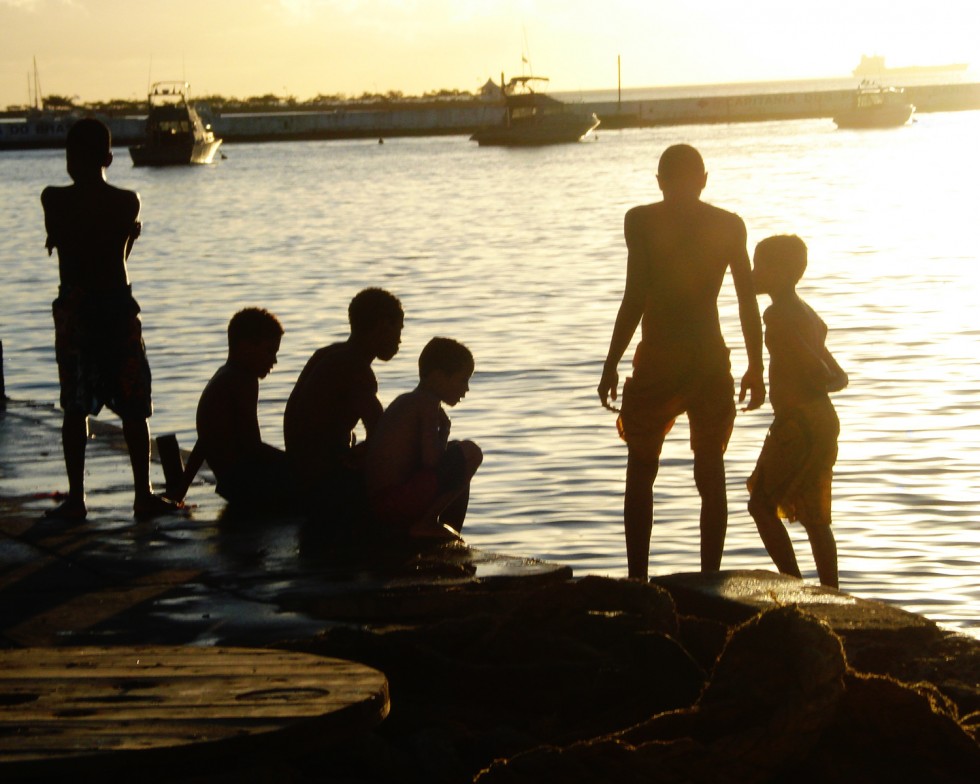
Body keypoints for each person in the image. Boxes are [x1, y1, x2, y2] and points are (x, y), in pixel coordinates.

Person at [597, 143, 765, 580]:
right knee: (709, 470)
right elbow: (747, 303)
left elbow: (635, 296)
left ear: (659, 181)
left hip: (659, 358)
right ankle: (709, 578)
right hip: (707, 358)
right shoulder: (728, 225)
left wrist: (611, 362)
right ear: (704, 180)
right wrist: (756, 367)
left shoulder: (641, 220)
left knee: (642, 469)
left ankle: (639, 580)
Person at [41, 117, 178, 520]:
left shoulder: (53, 199)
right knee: (135, 406)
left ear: (68, 160)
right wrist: (130, 238)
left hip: (77, 310)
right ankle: (142, 494)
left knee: (75, 407)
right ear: (110, 157)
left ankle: (78, 499)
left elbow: (65, 245)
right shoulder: (127, 201)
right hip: (117, 306)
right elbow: (115, 258)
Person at [747, 235, 847, 588]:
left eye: (760, 266)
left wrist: (809, 381)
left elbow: (813, 366)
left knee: (760, 505)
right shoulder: (808, 313)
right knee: (815, 516)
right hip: (822, 418)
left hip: (799, 423)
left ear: (784, 272)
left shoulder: (779, 315)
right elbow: (839, 376)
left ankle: (794, 583)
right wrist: (822, 382)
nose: (752, 272)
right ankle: (830, 590)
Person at [284, 288, 404, 522]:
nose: (399, 340)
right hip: (325, 484)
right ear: (382, 326)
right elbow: (381, 435)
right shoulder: (357, 370)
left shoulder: (327, 354)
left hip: (301, 472)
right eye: (398, 330)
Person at [176, 307, 295, 509]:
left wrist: (180, 489)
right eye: (269, 351)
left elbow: (205, 440)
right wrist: (295, 462)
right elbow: (252, 446)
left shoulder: (224, 375)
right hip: (246, 486)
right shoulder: (243, 381)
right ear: (245, 346)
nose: (274, 361)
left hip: (230, 484)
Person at [365, 337, 483, 539]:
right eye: (463, 380)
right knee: (471, 453)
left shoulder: (409, 400)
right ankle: (427, 523)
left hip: (379, 501)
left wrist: (445, 431)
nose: (467, 389)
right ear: (437, 377)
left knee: (456, 450)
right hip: (392, 503)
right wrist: (444, 431)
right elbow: (431, 461)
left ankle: (432, 524)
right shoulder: (427, 403)